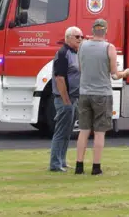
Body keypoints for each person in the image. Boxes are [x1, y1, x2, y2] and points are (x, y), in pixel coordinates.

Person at [73, 19, 129, 175]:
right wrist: (126, 73)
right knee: (99, 132)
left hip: (84, 93)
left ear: (93, 30)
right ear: (105, 31)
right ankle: (96, 167)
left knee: (84, 130)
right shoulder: (109, 48)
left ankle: (79, 166)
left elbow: (80, 68)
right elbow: (114, 75)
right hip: (102, 94)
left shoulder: (82, 46)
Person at [48, 26, 83, 172]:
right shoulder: (63, 53)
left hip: (73, 99)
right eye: (77, 37)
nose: (80, 39)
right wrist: (66, 100)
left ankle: (61, 160)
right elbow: (60, 79)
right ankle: (55, 164)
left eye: (81, 37)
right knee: (61, 131)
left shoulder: (76, 53)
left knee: (67, 132)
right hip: (65, 99)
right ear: (68, 38)